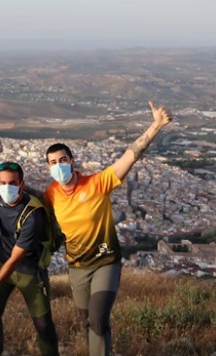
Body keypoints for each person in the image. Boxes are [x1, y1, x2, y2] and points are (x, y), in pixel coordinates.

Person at [44, 102, 173, 356]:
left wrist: (156, 126)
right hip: (77, 267)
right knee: (87, 322)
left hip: (106, 262)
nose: (58, 165)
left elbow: (130, 155)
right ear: (49, 168)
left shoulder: (96, 184)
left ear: (72, 161)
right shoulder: (51, 194)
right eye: (53, 162)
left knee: (99, 319)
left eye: (62, 160)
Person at [0, 162, 59, 356]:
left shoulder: (33, 214)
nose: (7, 187)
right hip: (1, 260)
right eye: (3, 183)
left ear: (21, 184)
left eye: (12, 183)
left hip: (29, 271)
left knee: (43, 325)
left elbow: (15, 259)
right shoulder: (4, 198)